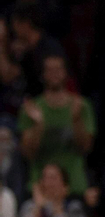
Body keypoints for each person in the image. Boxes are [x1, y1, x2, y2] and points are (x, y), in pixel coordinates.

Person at [17, 54, 94, 196]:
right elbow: (28, 153)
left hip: (73, 187)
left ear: (66, 73)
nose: (54, 74)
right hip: (40, 189)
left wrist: (76, 120)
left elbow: (85, 148)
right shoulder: (32, 108)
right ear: (43, 74)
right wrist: (38, 126)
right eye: (49, 70)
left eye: (58, 69)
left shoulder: (81, 106)